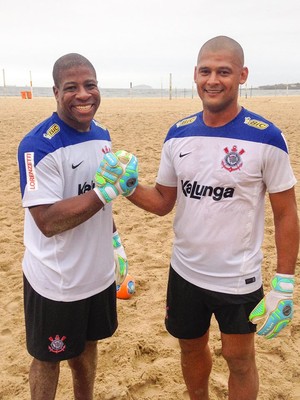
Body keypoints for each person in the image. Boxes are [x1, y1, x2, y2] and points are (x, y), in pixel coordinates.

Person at [99, 36, 299, 399]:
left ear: (242, 75)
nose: (213, 80)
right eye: (205, 71)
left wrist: (284, 284)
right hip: (185, 272)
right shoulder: (178, 134)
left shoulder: (268, 137)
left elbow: (286, 214)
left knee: (239, 358)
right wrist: (127, 188)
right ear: (195, 75)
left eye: (224, 71)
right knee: (190, 348)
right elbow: (162, 202)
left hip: (238, 277)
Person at [17, 53, 138, 400]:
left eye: (90, 85)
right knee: (47, 360)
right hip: (56, 281)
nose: (83, 95)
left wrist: (115, 240)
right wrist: (106, 192)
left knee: (87, 352)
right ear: (56, 91)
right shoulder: (39, 144)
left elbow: (98, 197)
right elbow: (48, 221)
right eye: (72, 88)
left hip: (97, 277)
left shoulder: (103, 135)